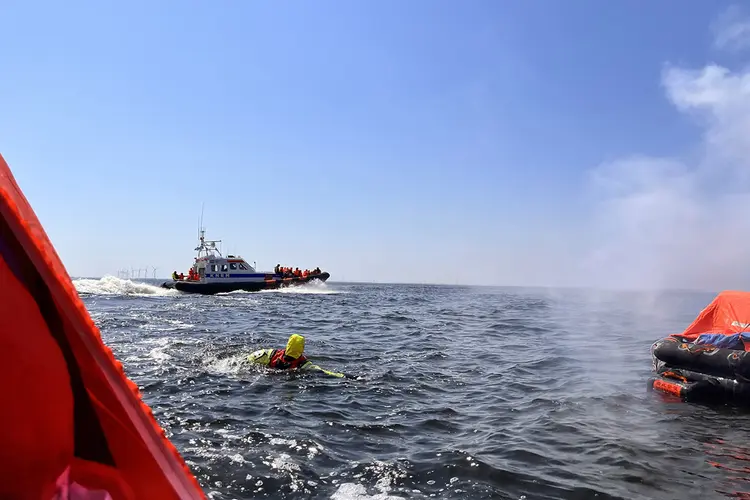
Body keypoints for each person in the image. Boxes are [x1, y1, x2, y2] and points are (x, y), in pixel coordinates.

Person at [247, 334, 353, 378]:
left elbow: (245, 360)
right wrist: (347, 377)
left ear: (287, 345)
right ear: (302, 349)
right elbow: (325, 372)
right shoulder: (304, 364)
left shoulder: (269, 354)